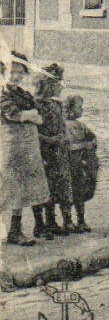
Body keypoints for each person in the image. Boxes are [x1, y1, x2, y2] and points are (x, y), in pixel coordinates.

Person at [1, 55, 51, 246]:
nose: (15, 76)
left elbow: (40, 117)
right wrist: (29, 115)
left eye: (20, 72)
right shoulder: (2, 92)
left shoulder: (23, 93)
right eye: (11, 72)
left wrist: (29, 115)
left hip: (26, 146)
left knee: (21, 187)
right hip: (9, 144)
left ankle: (15, 230)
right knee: (6, 184)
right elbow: (12, 114)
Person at [33, 66, 74, 237]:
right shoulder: (34, 104)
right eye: (56, 83)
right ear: (45, 84)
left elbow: (63, 126)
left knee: (58, 184)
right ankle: (39, 224)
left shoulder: (57, 104)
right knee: (42, 185)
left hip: (58, 151)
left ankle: (52, 221)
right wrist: (50, 139)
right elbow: (31, 131)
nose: (60, 86)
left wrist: (63, 138)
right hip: (42, 150)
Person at [63, 94, 98, 232]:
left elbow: (92, 137)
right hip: (70, 163)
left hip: (81, 163)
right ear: (70, 109)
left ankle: (81, 220)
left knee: (81, 191)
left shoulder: (81, 125)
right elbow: (66, 146)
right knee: (69, 191)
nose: (81, 110)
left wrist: (92, 141)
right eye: (79, 107)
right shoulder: (65, 126)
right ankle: (67, 220)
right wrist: (85, 145)